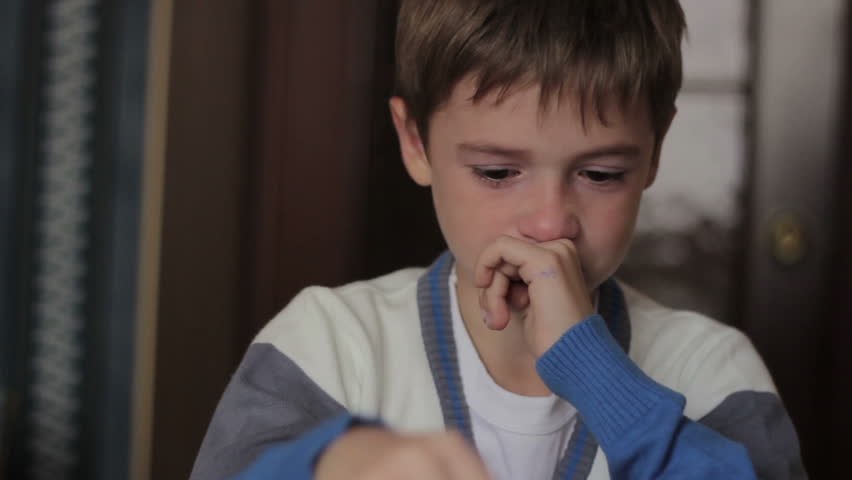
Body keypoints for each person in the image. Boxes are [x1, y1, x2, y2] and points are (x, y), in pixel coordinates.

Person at [191, 1, 807, 479]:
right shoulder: (328, 346)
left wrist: (593, 370)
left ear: (655, 151)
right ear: (414, 142)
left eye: (600, 175)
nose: (547, 224)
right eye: (496, 172)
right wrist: (333, 463)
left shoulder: (713, 371)